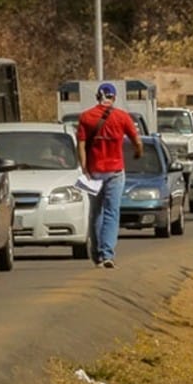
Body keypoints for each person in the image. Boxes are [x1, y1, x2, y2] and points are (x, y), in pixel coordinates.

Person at [76, 82, 143, 269]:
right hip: (115, 171)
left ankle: (96, 254)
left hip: (94, 171)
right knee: (112, 212)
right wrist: (138, 152)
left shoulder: (86, 117)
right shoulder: (122, 117)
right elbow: (137, 141)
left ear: (98, 97)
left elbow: (81, 145)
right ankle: (107, 254)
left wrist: (84, 168)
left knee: (95, 212)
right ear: (113, 98)